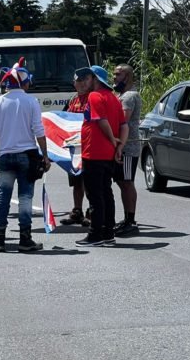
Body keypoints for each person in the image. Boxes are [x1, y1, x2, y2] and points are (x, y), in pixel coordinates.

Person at [0, 58, 50, 253]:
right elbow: (39, 131)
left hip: (4, 156)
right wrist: (45, 155)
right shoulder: (31, 101)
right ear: (24, 82)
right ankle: (25, 239)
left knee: (2, 199)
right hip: (27, 156)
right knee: (25, 198)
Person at [74, 66, 127, 247]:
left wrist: (113, 140)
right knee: (106, 193)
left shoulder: (95, 96)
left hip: (94, 152)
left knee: (95, 195)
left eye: (88, 77)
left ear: (95, 79)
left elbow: (102, 121)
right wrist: (119, 146)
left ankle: (95, 234)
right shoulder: (113, 98)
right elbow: (124, 125)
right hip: (107, 154)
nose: (84, 81)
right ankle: (108, 232)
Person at [113, 64, 142, 237]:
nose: (115, 78)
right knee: (122, 182)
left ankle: (130, 220)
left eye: (118, 75)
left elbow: (122, 120)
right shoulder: (121, 95)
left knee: (127, 182)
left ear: (128, 77)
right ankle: (126, 218)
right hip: (123, 146)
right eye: (114, 74)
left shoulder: (129, 96)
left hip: (128, 147)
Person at [60, 73, 91, 227]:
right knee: (76, 181)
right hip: (74, 147)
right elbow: (63, 119)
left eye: (85, 80)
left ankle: (91, 212)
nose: (82, 83)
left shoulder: (92, 98)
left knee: (88, 181)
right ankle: (77, 211)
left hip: (88, 146)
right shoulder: (73, 100)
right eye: (79, 80)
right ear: (74, 83)